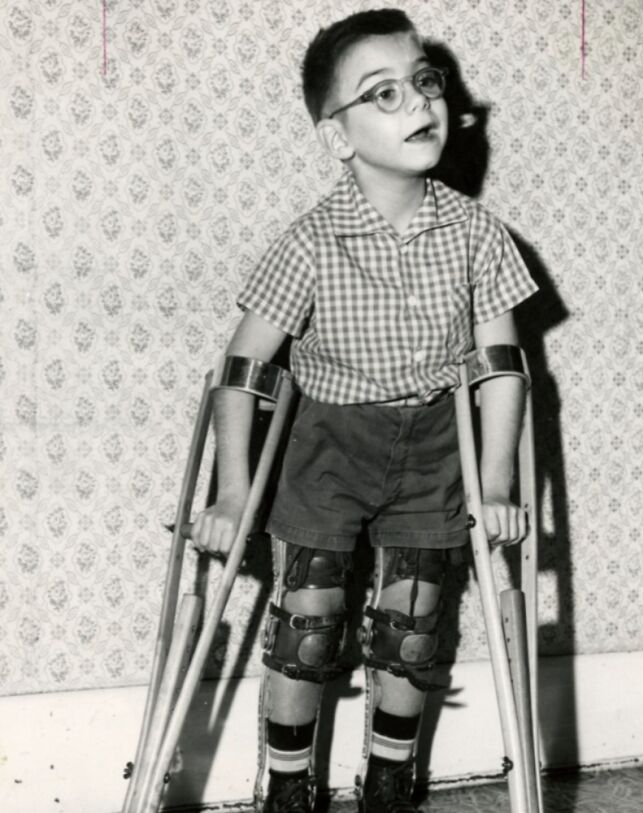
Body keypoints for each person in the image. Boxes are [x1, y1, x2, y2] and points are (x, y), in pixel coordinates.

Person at [192, 8, 538, 812]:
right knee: (308, 627)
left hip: (432, 451)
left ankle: (390, 783)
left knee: (412, 629)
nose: (418, 104)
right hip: (325, 446)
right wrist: (235, 491)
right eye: (382, 94)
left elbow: (501, 369)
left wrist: (492, 485)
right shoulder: (312, 240)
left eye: (424, 82)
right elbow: (243, 370)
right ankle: (286, 785)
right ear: (336, 136)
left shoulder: (478, 233)